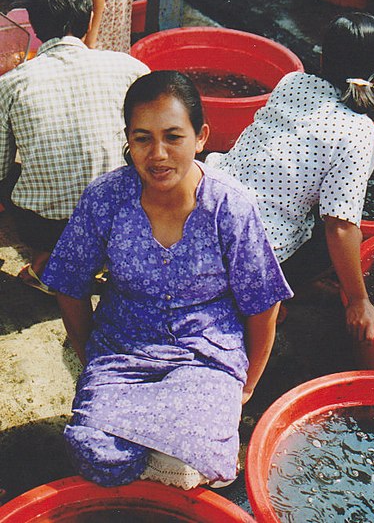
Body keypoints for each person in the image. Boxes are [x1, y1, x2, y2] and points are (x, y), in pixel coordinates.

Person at [41, 71, 293, 488]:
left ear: (200, 137)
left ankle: (176, 448)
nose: (157, 154)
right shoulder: (106, 197)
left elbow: (264, 301)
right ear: (128, 139)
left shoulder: (230, 206)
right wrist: (91, 360)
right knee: (95, 453)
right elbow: (69, 281)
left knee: (201, 459)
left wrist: (246, 385)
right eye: (143, 138)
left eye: (173, 137)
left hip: (206, 353)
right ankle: (155, 451)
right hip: (122, 348)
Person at [206, 12, 374, 342]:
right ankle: (272, 299)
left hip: (206, 203)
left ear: (321, 57)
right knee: (343, 230)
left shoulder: (291, 83)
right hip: (251, 249)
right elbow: (340, 227)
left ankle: (279, 290)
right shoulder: (362, 134)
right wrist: (360, 300)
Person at [0, 0, 149, 293]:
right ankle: (106, 259)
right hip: (126, 221)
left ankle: (51, 260)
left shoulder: (12, 84)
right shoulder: (132, 68)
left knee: (10, 175)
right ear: (89, 16)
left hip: (48, 228)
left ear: (35, 22)